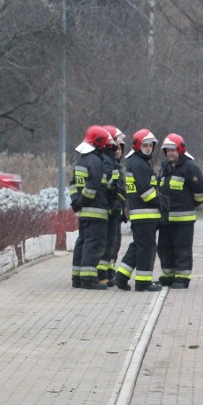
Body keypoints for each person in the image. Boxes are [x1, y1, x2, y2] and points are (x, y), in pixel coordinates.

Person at [156, 133, 203, 289]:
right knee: (164, 248)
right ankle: (168, 276)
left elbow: (201, 190)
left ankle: (182, 278)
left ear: (180, 150)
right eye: (167, 150)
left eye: (173, 150)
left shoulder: (190, 167)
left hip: (183, 220)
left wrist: (191, 204)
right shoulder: (165, 167)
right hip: (166, 219)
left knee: (182, 249)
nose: (170, 153)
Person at [114, 128, 162, 292]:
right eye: (145, 145)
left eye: (150, 145)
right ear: (138, 146)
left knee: (138, 245)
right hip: (145, 213)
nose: (149, 148)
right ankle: (143, 282)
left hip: (140, 214)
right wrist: (161, 201)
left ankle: (121, 277)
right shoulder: (139, 164)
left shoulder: (137, 161)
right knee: (146, 248)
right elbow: (145, 191)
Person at [70, 125, 113, 290]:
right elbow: (92, 187)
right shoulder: (95, 161)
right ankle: (88, 279)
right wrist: (82, 201)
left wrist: (76, 202)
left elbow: (73, 184)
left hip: (84, 213)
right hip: (96, 211)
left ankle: (77, 277)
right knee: (93, 245)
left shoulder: (80, 160)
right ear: (100, 144)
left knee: (82, 242)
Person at [97, 126, 126, 285]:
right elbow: (109, 187)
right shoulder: (106, 162)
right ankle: (103, 275)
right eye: (116, 143)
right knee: (108, 243)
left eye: (121, 145)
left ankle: (109, 273)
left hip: (116, 211)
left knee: (114, 243)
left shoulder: (115, 164)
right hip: (108, 211)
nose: (119, 147)